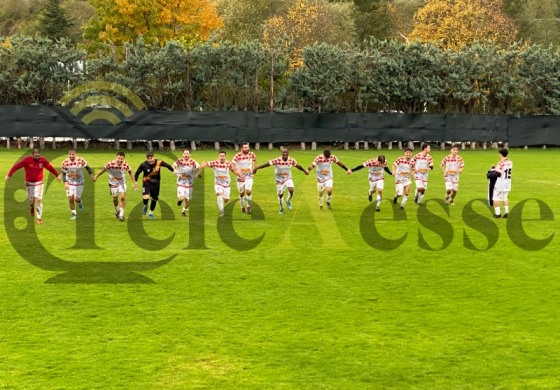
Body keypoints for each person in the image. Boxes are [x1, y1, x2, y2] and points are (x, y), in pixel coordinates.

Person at [5, 148, 61, 224]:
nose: (37, 158)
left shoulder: (43, 161)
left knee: (38, 200)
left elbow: (50, 167)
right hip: (29, 184)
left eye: (38, 156)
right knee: (31, 202)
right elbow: (16, 167)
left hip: (39, 183)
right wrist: (9, 175)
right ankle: (31, 208)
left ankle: (39, 218)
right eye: (35, 156)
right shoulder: (27, 160)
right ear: (32, 155)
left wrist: (57, 175)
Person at [253, 148, 308, 214]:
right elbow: (267, 164)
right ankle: (281, 207)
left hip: (288, 177)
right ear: (281, 153)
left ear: (288, 153)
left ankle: (288, 200)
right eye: (283, 153)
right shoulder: (277, 160)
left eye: (286, 153)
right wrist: (257, 167)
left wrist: (305, 171)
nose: (285, 154)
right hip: (279, 179)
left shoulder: (291, 160)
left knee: (291, 189)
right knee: (280, 194)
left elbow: (298, 166)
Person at [93, 151, 138, 222]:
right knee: (115, 199)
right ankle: (117, 211)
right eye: (119, 158)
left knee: (122, 197)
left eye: (122, 159)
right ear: (116, 157)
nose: (120, 160)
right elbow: (103, 170)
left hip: (122, 182)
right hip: (113, 183)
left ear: (124, 159)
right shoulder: (110, 163)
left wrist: (134, 182)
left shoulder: (125, 164)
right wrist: (96, 176)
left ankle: (121, 215)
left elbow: (130, 172)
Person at [198, 151, 243, 217]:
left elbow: (233, 170)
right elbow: (206, 163)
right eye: (220, 156)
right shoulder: (214, 163)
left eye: (223, 156)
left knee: (226, 199)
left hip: (227, 184)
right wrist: (202, 165)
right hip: (218, 183)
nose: (222, 157)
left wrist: (239, 175)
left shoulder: (228, 164)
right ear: (218, 156)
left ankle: (222, 203)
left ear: (225, 157)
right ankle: (222, 212)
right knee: (219, 194)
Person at [134, 151, 175, 220]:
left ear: (154, 157)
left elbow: (167, 165)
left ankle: (151, 213)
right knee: (145, 197)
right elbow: (137, 173)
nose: (150, 160)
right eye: (149, 159)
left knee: (154, 199)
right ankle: (145, 205)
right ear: (147, 159)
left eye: (151, 158)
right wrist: (135, 182)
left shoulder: (159, 162)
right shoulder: (143, 165)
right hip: (146, 183)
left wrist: (173, 171)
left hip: (156, 183)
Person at [60, 149, 95, 220]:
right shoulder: (65, 162)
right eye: (70, 154)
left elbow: (87, 168)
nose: (71, 156)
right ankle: (73, 214)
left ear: (75, 154)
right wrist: (65, 182)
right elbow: (63, 173)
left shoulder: (80, 160)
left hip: (79, 182)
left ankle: (80, 202)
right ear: (68, 155)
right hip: (69, 182)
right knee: (70, 198)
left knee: (76, 199)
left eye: (73, 154)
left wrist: (91, 175)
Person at [173, 149, 200, 217]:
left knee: (187, 201)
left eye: (187, 153)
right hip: (180, 182)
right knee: (182, 198)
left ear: (189, 155)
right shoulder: (179, 160)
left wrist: (198, 170)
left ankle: (183, 210)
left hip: (190, 183)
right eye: (185, 153)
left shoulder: (193, 161)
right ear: (183, 154)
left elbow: (198, 167)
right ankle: (180, 200)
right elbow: (173, 166)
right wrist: (175, 170)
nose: (186, 155)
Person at [232, 143, 257, 214]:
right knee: (241, 193)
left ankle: (248, 206)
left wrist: (255, 168)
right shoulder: (237, 156)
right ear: (241, 149)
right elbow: (232, 164)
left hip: (249, 176)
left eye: (247, 147)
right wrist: (237, 173)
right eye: (245, 148)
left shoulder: (251, 154)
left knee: (248, 191)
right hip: (240, 177)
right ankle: (242, 206)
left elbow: (254, 159)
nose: (247, 149)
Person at [490, 148, 513, 218]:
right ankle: (506, 211)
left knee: (495, 198)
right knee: (505, 198)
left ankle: (498, 214)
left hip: (500, 183)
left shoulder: (500, 163)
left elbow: (498, 174)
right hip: (507, 183)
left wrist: (492, 170)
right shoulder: (510, 162)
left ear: (500, 154)